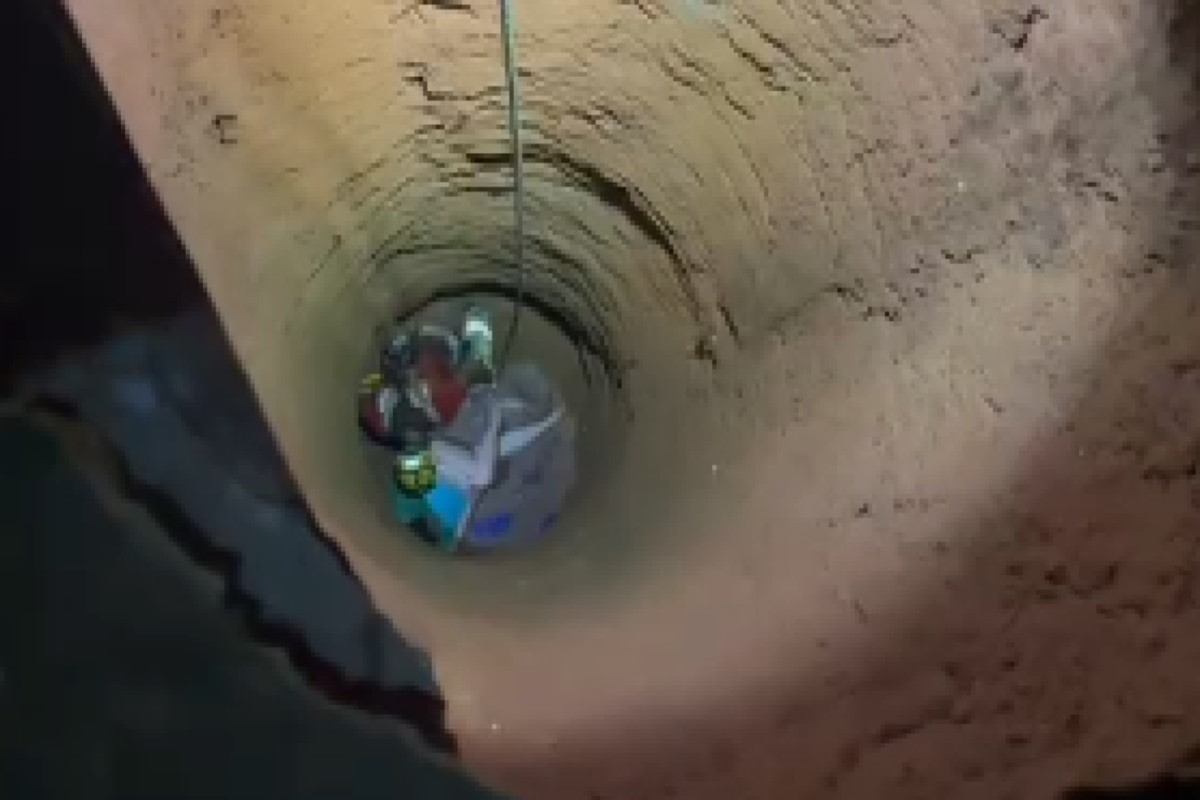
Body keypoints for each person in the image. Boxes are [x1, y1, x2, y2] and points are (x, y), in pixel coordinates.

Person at [393, 361, 576, 553]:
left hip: (472, 512)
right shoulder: (440, 449)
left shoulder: (476, 411)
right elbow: (482, 477)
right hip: (473, 514)